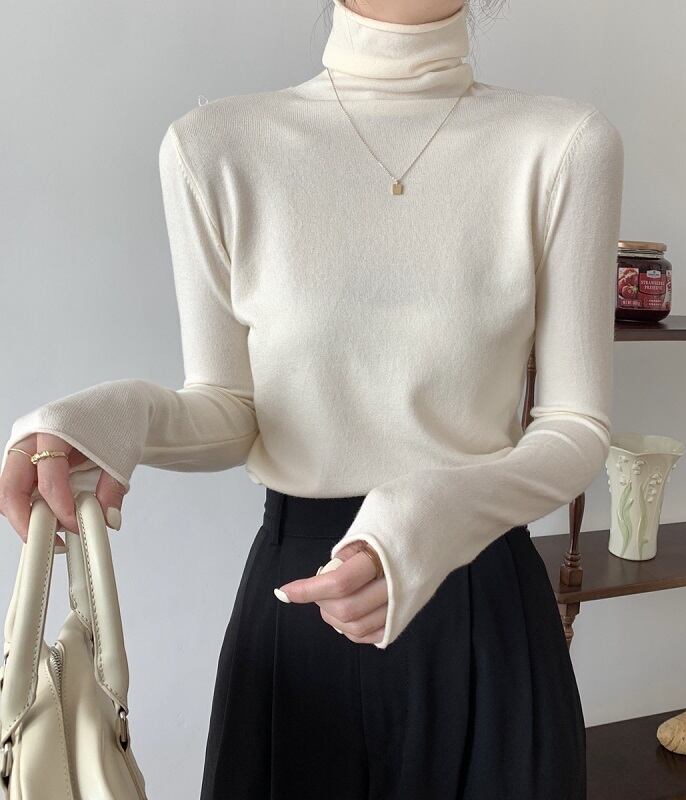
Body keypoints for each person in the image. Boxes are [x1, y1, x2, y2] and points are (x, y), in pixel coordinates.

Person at [0, 0, 624, 796]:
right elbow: (230, 407)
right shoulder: (215, 147)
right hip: (300, 615)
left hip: (485, 607)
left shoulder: (563, 144)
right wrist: (117, 417)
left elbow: (574, 425)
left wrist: (433, 514)